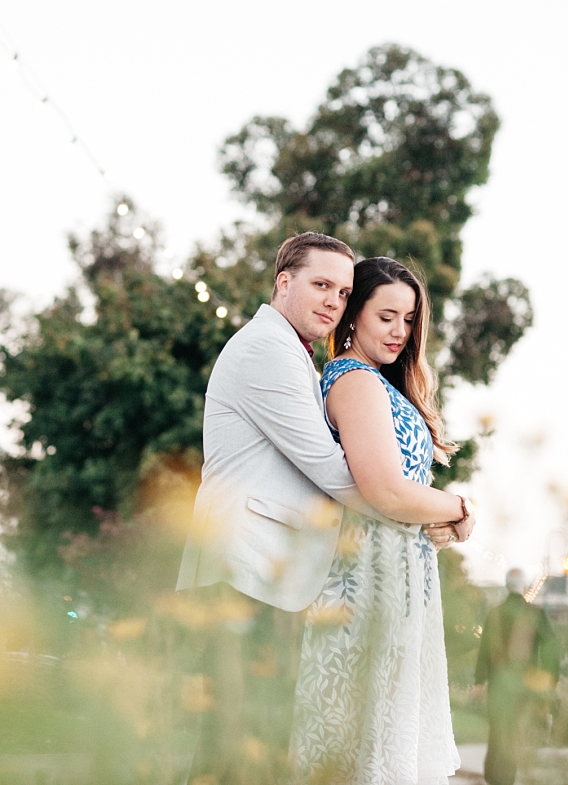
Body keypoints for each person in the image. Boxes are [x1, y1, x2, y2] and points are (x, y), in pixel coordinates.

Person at [176, 236, 472, 784]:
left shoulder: (298, 356)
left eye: (342, 289)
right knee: (232, 751)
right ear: (283, 281)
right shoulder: (268, 349)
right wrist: (443, 507)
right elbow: (341, 474)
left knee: (248, 751)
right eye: (322, 285)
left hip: (268, 572)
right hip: (244, 569)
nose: (333, 300)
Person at [288, 256, 473, 784]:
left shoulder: (381, 383)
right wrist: (461, 508)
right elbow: (388, 491)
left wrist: (440, 517)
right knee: (363, 747)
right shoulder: (355, 380)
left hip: (398, 577)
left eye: (410, 319)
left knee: (390, 744)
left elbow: (404, 493)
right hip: (367, 581)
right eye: (386, 315)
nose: (400, 331)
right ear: (354, 315)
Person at [474, 568, 560, 785]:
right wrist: (551, 681)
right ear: (524, 587)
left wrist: (479, 682)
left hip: (497, 684)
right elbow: (552, 648)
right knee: (513, 732)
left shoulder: (494, 613)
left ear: (506, 585)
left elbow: (484, 651)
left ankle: (493, 777)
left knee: (497, 731)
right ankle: (506, 779)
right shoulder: (535, 613)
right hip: (524, 684)